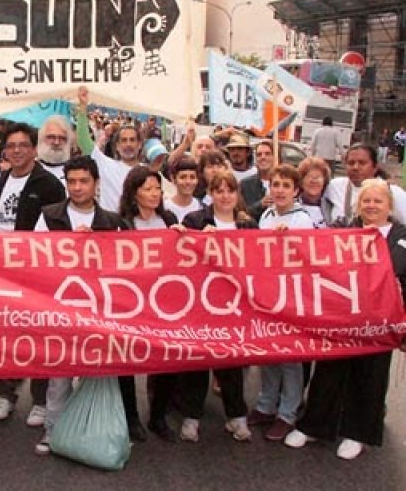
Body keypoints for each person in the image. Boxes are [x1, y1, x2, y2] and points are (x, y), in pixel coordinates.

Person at [285, 178, 406, 459]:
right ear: (358, 204)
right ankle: (314, 425)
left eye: (378, 201)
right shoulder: (342, 230)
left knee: (370, 377)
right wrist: (284, 235)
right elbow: (310, 250)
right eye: (366, 200)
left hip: (380, 324)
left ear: (389, 205)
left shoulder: (402, 237)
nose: (372, 206)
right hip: (341, 320)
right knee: (328, 373)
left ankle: (357, 433)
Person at [33, 155, 128, 455]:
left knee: (98, 374)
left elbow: (126, 264)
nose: (76, 187)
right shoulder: (49, 215)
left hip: (99, 310)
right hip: (60, 306)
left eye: (83, 181)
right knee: (59, 376)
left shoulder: (112, 222)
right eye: (71, 181)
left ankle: (94, 430)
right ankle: (53, 430)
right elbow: (34, 257)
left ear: (96, 184)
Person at [0, 122, 65, 425]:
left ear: (33, 149)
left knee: (38, 333)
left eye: (23, 145)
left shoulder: (49, 185)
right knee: (3, 333)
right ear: (4, 150)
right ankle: (3, 393)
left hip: (35, 274)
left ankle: (41, 400)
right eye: (11, 146)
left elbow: (56, 231)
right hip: (0, 273)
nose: (17, 151)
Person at [177, 170, 255, 443]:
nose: (225, 196)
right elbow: (179, 246)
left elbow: (263, 259)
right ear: (210, 194)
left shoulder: (247, 227)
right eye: (219, 191)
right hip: (201, 303)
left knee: (230, 364)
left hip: (234, 307)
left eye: (230, 191)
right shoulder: (196, 220)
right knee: (198, 364)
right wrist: (193, 235)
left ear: (237, 194)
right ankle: (191, 417)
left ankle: (237, 417)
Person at [247, 165, 315, 441]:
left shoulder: (303, 220)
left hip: (293, 296)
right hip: (268, 294)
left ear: (296, 190)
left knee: (290, 357)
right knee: (269, 353)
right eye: (276, 185)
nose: (280, 190)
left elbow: (310, 257)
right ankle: (266, 403)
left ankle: (288, 412)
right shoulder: (265, 216)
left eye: (286, 186)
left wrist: (292, 241)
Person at [118, 165, 180, 443]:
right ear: (134, 194)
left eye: (158, 188)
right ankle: (130, 417)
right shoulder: (121, 223)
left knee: (165, 359)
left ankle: (158, 417)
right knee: (126, 362)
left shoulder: (168, 219)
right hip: (129, 301)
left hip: (163, 302)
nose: (155, 194)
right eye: (148, 189)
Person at [76, 87, 142, 212]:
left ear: (139, 144)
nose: (128, 144)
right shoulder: (106, 165)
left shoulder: (147, 172)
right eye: (124, 140)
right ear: (116, 146)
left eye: (132, 140)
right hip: (110, 228)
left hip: (137, 230)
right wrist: (83, 107)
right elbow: (83, 141)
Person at [324, 143, 406, 225]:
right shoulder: (335, 186)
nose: (355, 167)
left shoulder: (393, 193)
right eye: (351, 163)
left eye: (362, 163)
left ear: (375, 167)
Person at [240, 140, 278, 222]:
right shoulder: (245, 184)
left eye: (267, 154)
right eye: (259, 155)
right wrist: (260, 205)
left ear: (276, 157)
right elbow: (240, 214)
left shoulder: (286, 182)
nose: (263, 157)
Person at [36, 115, 74, 186]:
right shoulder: (28, 169)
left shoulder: (76, 172)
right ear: (41, 139)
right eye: (51, 137)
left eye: (62, 138)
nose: (56, 142)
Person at [297, 157, 332, 228]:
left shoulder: (331, 207)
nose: (314, 181)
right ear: (301, 181)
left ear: (324, 181)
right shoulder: (291, 206)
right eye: (309, 176)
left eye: (318, 177)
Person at [164, 157, 202, 222]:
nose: (188, 182)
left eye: (192, 177)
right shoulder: (164, 208)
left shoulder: (202, 208)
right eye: (183, 177)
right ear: (173, 179)